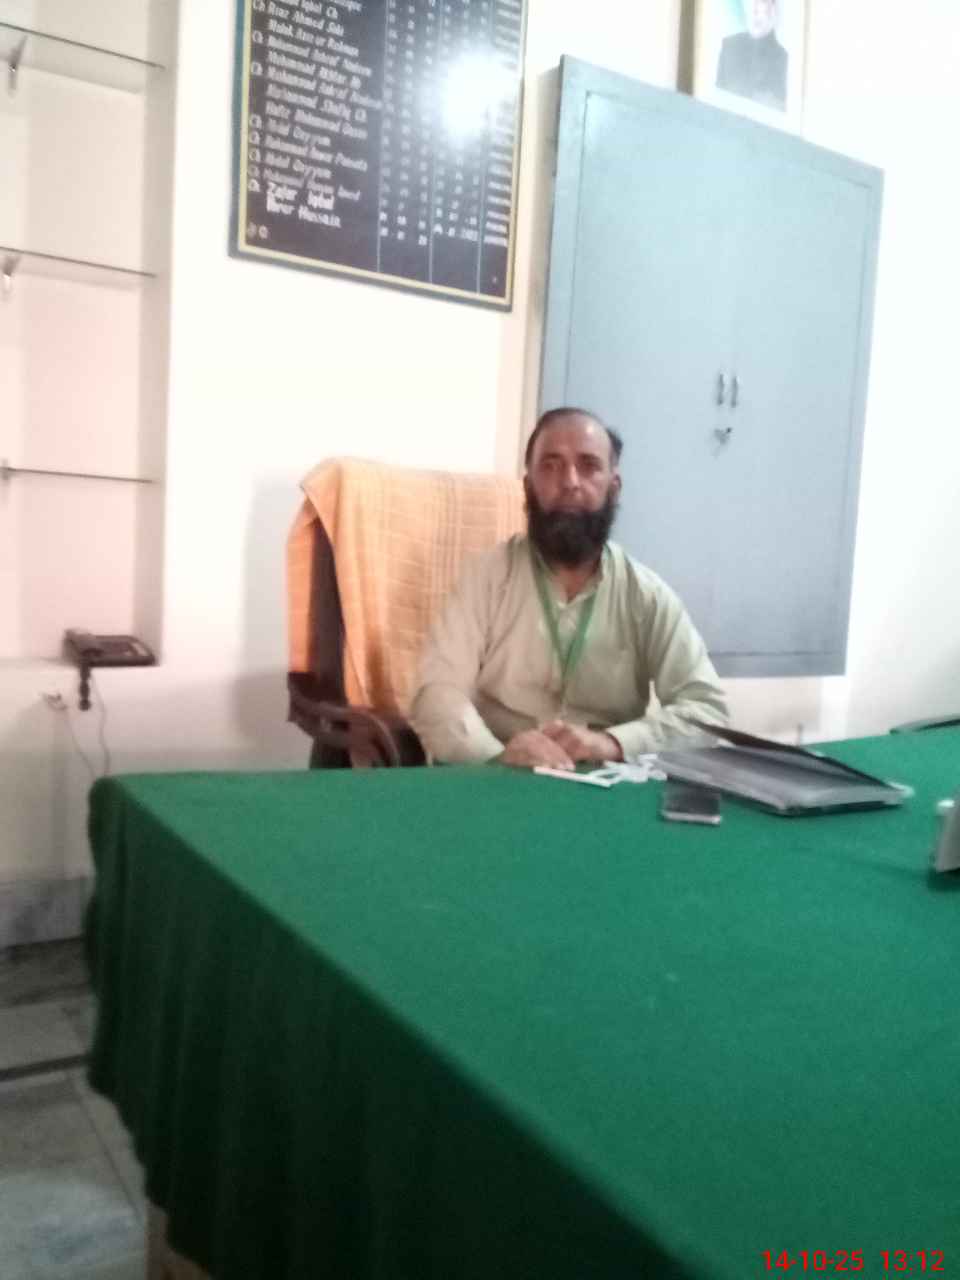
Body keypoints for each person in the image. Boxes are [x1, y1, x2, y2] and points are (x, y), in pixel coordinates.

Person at [410, 408, 728, 768]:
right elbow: (435, 694)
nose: (570, 482)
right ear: (528, 486)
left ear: (613, 488)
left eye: (589, 466)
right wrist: (496, 757)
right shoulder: (484, 579)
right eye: (551, 466)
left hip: (603, 781)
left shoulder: (646, 596)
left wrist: (612, 743)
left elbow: (708, 711)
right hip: (499, 775)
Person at [715, 0, 788, 112]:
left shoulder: (784, 60)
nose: (754, 10)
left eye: (761, 2)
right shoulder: (729, 46)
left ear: (774, 10)